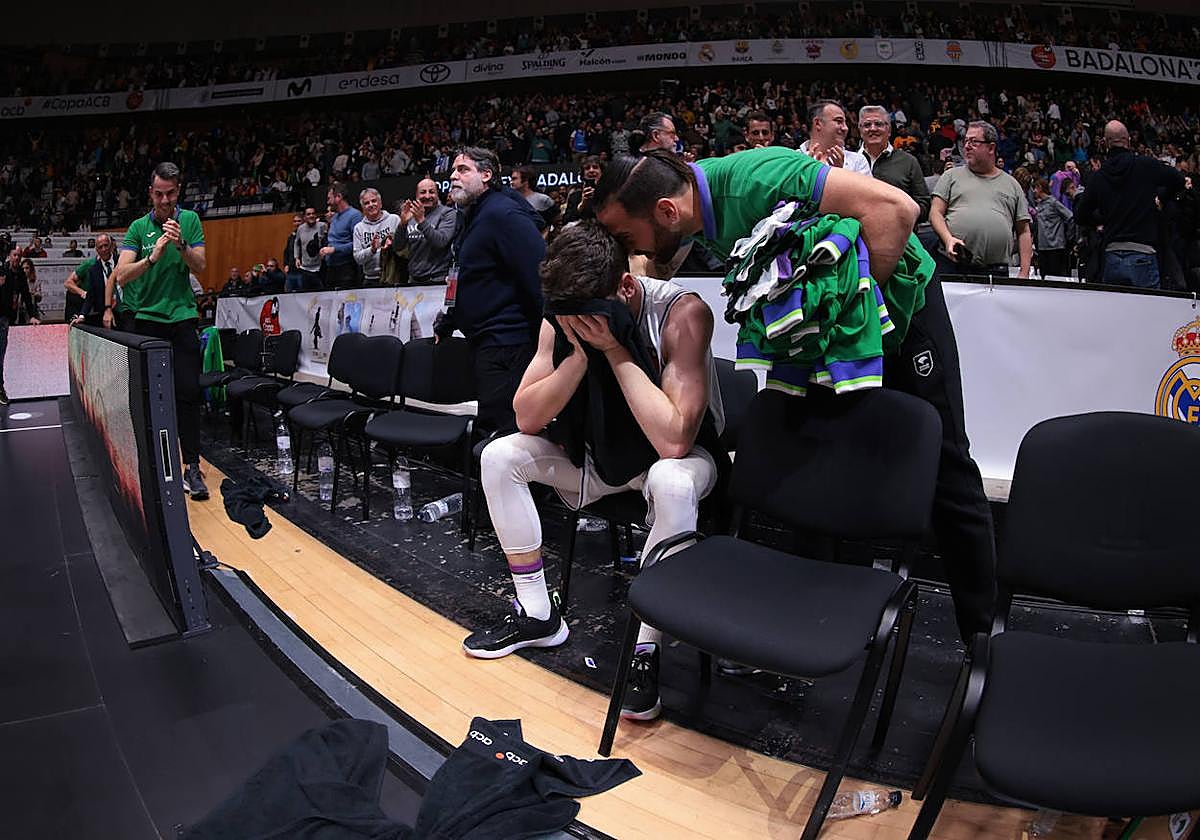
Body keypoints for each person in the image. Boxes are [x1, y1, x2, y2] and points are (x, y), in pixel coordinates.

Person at [593, 147, 997, 645]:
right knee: (810, 454)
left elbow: (897, 210)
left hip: (900, 313)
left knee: (948, 469)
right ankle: (806, 621)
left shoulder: (758, 179)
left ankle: (983, 640)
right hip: (825, 334)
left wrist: (849, 324)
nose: (628, 249)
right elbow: (653, 267)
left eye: (625, 237)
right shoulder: (689, 212)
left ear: (666, 212)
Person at [468, 221, 724, 723]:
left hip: (681, 460)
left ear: (624, 287)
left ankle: (644, 650)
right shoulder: (564, 314)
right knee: (499, 456)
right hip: (599, 456)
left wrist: (615, 349)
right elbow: (526, 416)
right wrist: (580, 357)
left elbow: (674, 440)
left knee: (671, 481)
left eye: (588, 315)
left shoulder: (681, 312)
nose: (577, 324)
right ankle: (538, 615)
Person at [114, 161, 209, 501]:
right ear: (150, 193)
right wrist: (152, 258)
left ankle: (192, 467)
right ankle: (152, 466)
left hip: (182, 318)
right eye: (159, 194)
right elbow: (122, 275)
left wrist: (181, 244)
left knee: (188, 393)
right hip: (147, 321)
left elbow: (201, 266)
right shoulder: (138, 228)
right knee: (150, 398)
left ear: (178, 191)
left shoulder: (190, 220)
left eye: (170, 194)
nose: (165, 200)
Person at [436, 147, 545, 435]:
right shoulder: (473, 215)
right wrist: (448, 320)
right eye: (453, 171)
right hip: (486, 342)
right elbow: (468, 275)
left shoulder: (502, 214)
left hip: (508, 345)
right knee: (491, 429)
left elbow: (539, 277)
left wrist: (550, 341)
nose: (453, 176)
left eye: (463, 170)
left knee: (500, 434)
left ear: (486, 175)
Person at [1074, 120, 1186, 290]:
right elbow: (1178, 180)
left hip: (1112, 256)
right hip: (1143, 253)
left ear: (1104, 143)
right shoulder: (1146, 165)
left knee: (1116, 307)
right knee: (1147, 307)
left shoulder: (1099, 176)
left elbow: (1080, 215)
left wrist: (1104, 217)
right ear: (1129, 141)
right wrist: (1161, 199)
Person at [929, 120, 1032, 278]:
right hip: (952, 264)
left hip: (996, 271)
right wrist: (948, 239)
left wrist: (1024, 272)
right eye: (966, 141)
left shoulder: (1012, 185)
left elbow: (1023, 231)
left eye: (974, 142)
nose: (967, 146)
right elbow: (935, 213)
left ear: (991, 147)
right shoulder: (950, 176)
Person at [859, 105, 931, 226]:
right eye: (867, 125)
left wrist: (898, 214)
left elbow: (924, 204)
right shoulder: (848, 162)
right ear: (860, 131)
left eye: (878, 124)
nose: (873, 128)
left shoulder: (908, 161)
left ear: (889, 130)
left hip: (900, 234)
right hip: (857, 235)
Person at [397, 178, 458, 285]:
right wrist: (402, 224)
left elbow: (441, 242)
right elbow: (398, 246)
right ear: (416, 195)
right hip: (413, 279)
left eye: (432, 192)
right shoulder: (411, 214)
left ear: (437, 194)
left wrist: (421, 221)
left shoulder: (448, 213)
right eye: (423, 192)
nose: (427, 196)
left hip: (438, 279)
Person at [0, 249, 41, 405]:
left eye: (19, 255)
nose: (17, 258)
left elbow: (26, 296)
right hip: (1, 317)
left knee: (3, 354)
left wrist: (32, 315)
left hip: (9, 317)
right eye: (14, 255)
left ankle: (2, 387)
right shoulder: (2, 271)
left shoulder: (21, 275)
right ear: (9, 256)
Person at [799, 100, 872, 177]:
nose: (845, 128)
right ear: (818, 123)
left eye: (845, 123)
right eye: (839, 121)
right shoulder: (794, 158)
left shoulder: (857, 161)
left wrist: (839, 174)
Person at [352, 187, 400, 287]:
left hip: (393, 276)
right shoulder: (358, 228)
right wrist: (372, 250)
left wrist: (392, 245)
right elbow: (358, 258)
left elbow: (403, 247)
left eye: (374, 201)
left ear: (380, 203)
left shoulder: (394, 219)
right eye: (366, 203)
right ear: (362, 208)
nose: (371, 205)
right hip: (370, 279)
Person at [319, 182, 363, 290]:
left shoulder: (355, 215)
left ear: (338, 197)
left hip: (346, 269)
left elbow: (358, 244)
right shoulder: (334, 217)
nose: (328, 202)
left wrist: (334, 249)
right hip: (331, 268)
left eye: (329, 198)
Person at [1031, 178, 1074, 278]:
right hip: (1042, 248)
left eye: (1035, 188)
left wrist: (1068, 237)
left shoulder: (1054, 203)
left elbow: (1070, 217)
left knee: (1055, 277)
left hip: (1055, 248)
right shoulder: (1039, 205)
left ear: (1040, 188)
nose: (1034, 191)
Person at [510, 166, 558, 232]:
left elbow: (557, 219)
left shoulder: (543, 199)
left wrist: (546, 233)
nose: (511, 182)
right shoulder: (509, 200)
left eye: (514, 179)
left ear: (525, 181)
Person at [293, 206, 327, 291]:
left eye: (313, 213)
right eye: (308, 214)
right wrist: (296, 257)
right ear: (304, 217)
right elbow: (296, 243)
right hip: (305, 268)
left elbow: (328, 241)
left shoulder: (322, 226)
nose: (311, 216)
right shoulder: (300, 228)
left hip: (320, 268)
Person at [564, 157, 603, 225]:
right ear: (583, 174)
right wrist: (582, 204)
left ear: (602, 172)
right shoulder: (575, 196)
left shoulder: (611, 193)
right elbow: (566, 221)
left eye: (595, 167)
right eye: (587, 168)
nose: (591, 170)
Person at [283, 213, 303, 291]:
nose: (297, 223)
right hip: (291, 271)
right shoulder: (291, 236)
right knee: (288, 294)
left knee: (302, 293)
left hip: (302, 272)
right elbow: (287, 251)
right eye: (295, 221)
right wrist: (286, 264)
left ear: (303, 222)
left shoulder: (307, 234)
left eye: (299, 221)